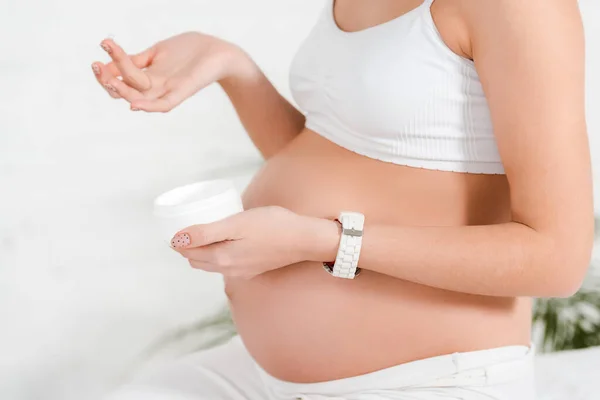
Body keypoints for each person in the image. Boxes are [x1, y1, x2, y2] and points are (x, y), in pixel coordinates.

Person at [94, 0, 592, 399]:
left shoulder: (521, 7)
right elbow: (331, 154)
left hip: (429, 379)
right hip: (258, 371)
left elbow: (556, 259)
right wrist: (232, 66)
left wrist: (323, 242)